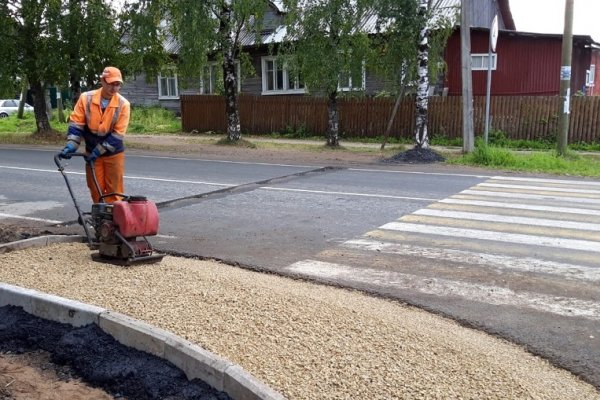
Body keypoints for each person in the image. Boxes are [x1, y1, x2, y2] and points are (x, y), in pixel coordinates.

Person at [60, 66, 130, 203]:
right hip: (91, 152)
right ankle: (100, 219)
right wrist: (72, 145)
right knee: (95, 188)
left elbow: (118, 135)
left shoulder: (123, 104)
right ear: (102, 81)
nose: (114, 88)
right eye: (111, 84)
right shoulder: (86, 98)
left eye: (117, 85)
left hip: (113, 154)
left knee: (114, 190)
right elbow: (76, 124)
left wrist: (98, 151)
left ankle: (114, 220)